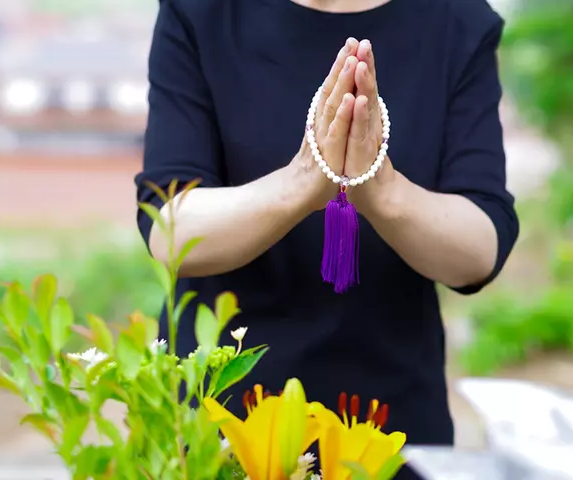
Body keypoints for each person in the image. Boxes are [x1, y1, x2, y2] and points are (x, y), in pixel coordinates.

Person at [136, 0, 519, 477]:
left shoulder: (457, 20)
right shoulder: (201, 11)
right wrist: (304, 180)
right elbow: (169, 228)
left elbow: (480, 245)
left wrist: (379, 187)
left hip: (384, 432)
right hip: (215, 424)